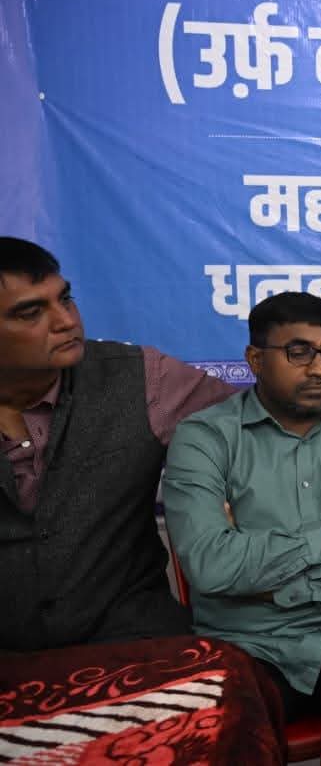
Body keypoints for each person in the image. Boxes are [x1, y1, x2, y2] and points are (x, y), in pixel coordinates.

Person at [163, 292, 321, 721]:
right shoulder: (204, 438)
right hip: (249, 639)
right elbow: (211, 565)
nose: (318, 368)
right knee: (225, 732)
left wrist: (279, 586)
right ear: (255, 359)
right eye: (298, 352)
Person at [0, 236, 236, 651]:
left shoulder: (144, 380)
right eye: (31, 312)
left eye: (65, 299)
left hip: (136, 644)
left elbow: (265, 424)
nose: (66, 321)